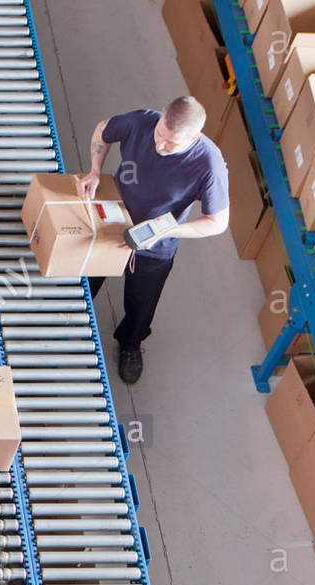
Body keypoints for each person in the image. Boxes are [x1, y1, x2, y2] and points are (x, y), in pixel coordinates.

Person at [76, 96, 230, 385]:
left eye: (171, 143)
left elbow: (217, 222)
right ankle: (71, 315)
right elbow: (103, 130)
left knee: (141, 303)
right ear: (159, 117)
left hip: (154, 247)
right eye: (159, 135)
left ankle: (130, 343)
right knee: (87, 276)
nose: (160, 146)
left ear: (194, 137)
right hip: (112, 217)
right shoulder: (140, 122)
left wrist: (165, 232)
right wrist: (95, 169)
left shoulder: (209, 165)